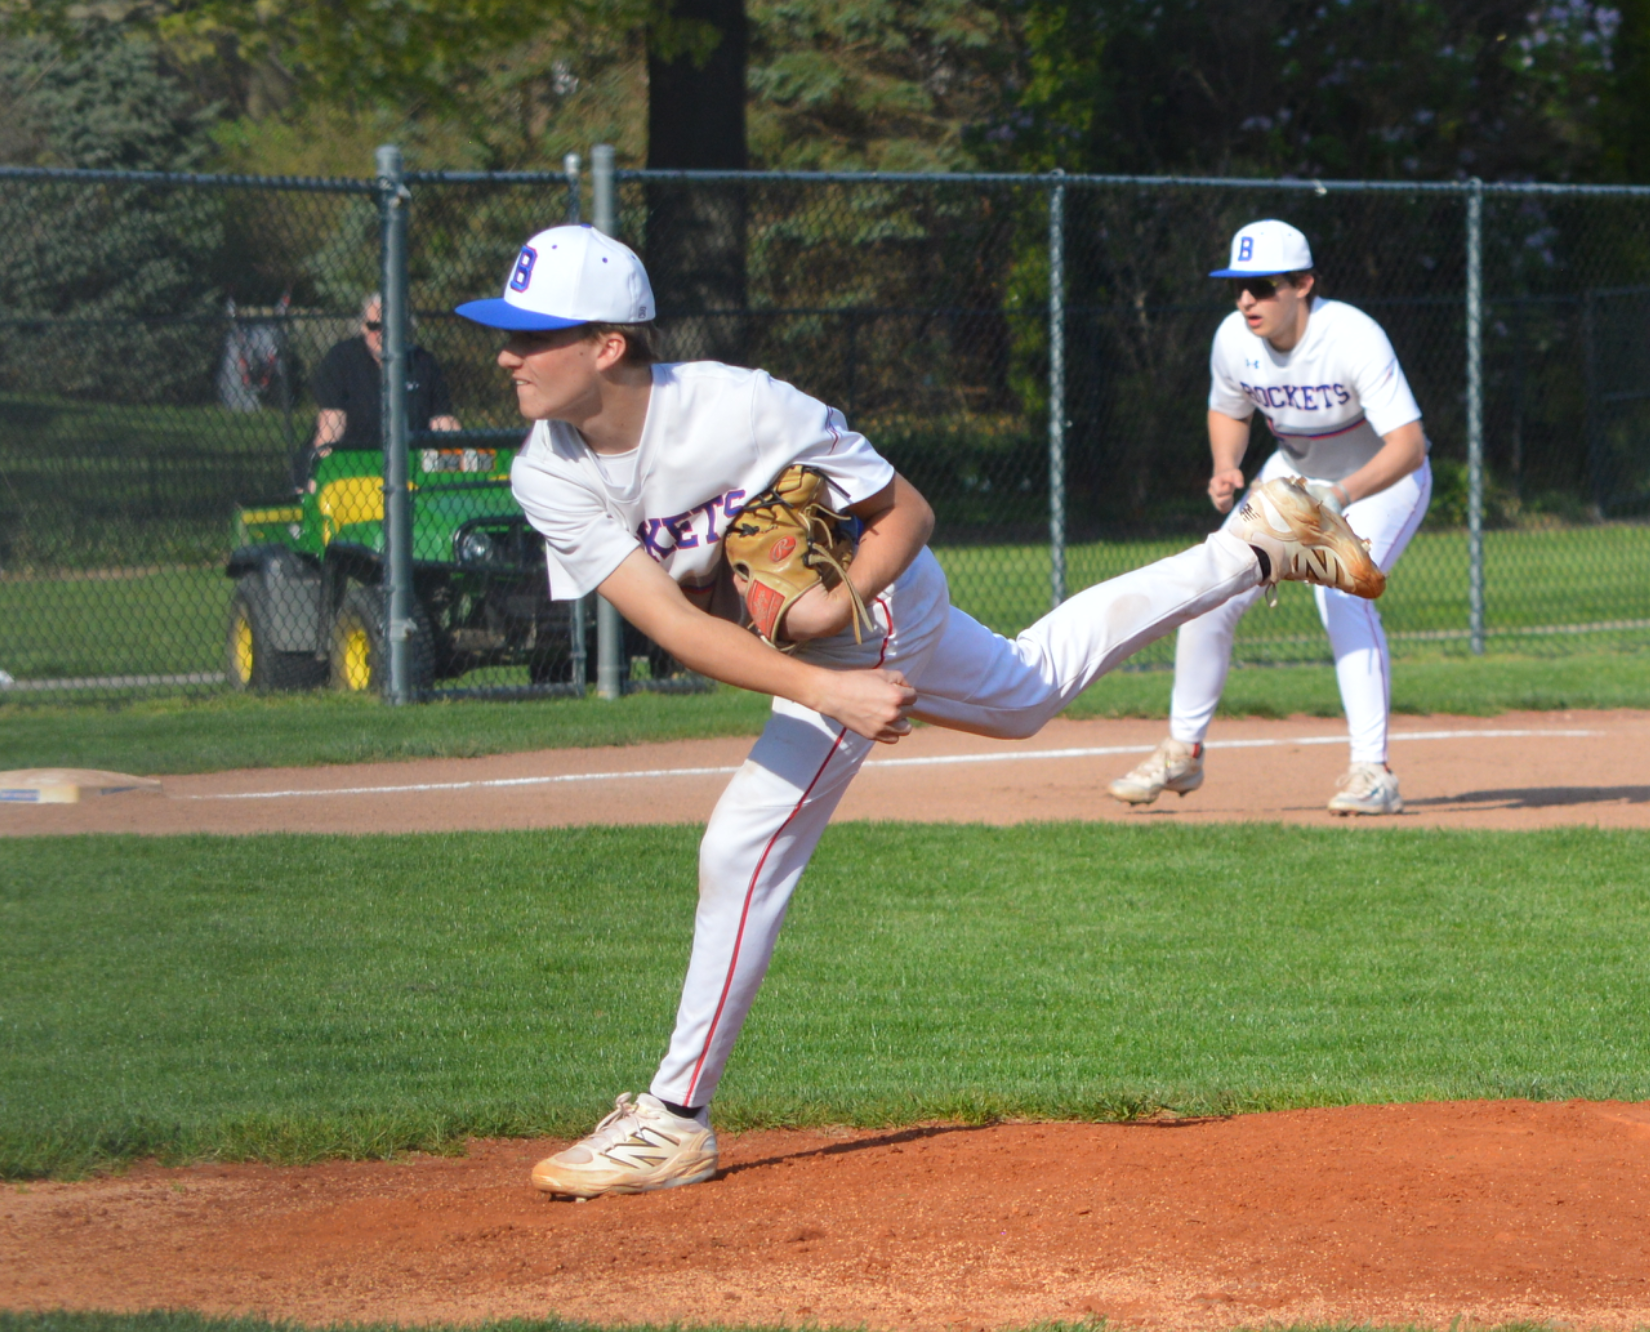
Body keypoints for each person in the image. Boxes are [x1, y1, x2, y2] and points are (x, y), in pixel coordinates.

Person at [454, 223, 1383, 1200]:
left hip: (882, 600)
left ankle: (673, 1118)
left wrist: (836, 627)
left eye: (532, 335)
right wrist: (815, 671)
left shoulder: (741, 407)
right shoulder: (546, 470)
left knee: (742, 843)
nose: (507, 355)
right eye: (507, 335)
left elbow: (905, 515)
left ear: (608, 345)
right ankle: (1256, 545)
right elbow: (672, 623)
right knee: (1025, 694)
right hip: (818, 649)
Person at [1106, 220, 1431, 817]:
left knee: (1342, 593)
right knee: (1211, 590)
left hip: (1380, 481)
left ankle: (1373, 772)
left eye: (1262, 286)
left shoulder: (1352, 336)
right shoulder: (1234, 339)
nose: (1246, 300)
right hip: (1295, 479)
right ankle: (1183, 751)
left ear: (1303, 284)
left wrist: (1342, 495)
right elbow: (1228, 409)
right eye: (1238, 287)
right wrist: (1226, 464)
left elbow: (1409, 446)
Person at [305, 293, 459, 475]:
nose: (383, 333)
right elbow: (332, 424)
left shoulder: (423, 362)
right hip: (352, 464)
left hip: (412, 464)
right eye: (374, 326)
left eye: (392, 326)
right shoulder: (341, 359)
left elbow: (442, 420)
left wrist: (460, 455)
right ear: (363, 327)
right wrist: (318, 472)